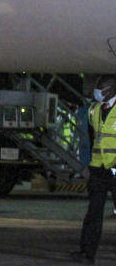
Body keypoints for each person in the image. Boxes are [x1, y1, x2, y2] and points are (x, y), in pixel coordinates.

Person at [72, 75, 116, 264]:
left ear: (112, 90)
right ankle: (87, 252)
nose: (98, 92)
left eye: (102, 88)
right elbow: (93, 138)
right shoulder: (93, 110)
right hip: (98, 168)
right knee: (94, 213)